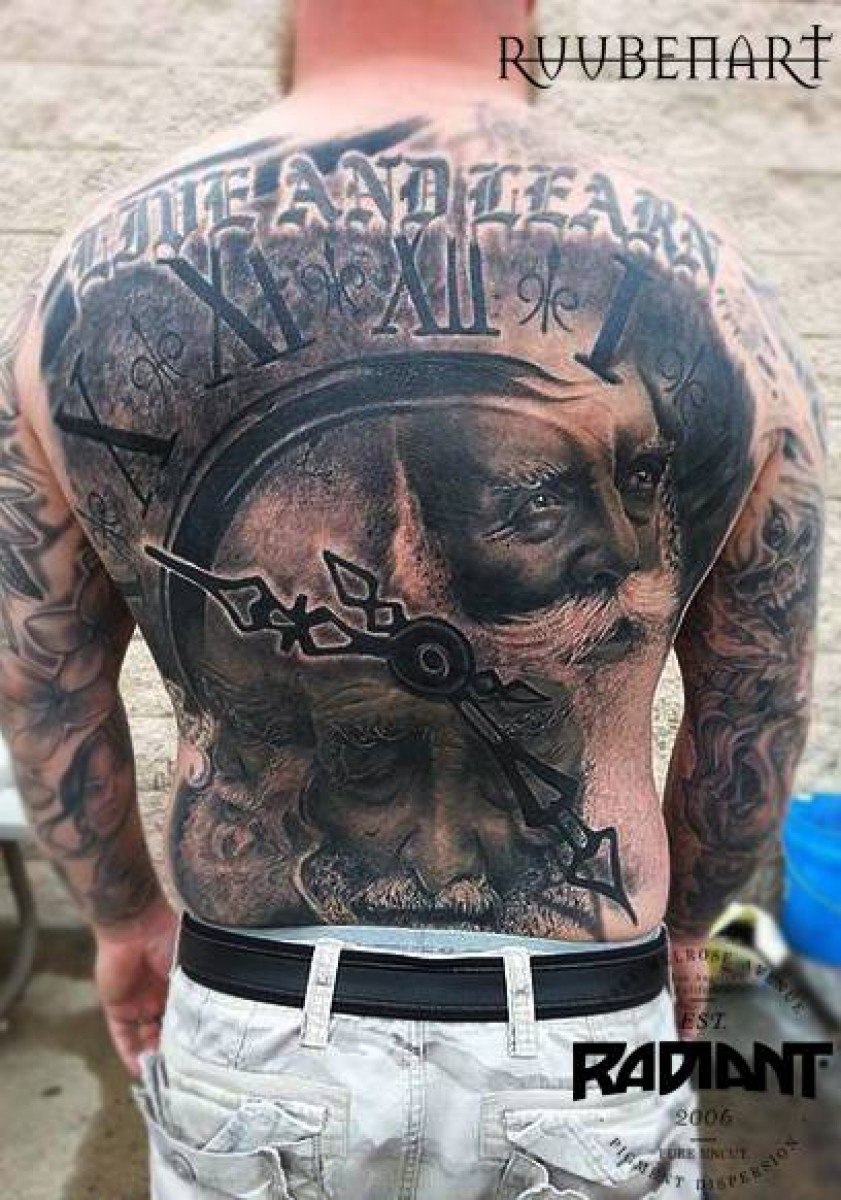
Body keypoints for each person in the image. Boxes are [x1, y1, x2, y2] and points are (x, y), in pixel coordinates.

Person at [0, 1, 825, 1196]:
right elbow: (756, 701)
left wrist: (122, 919)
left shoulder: (88, 284)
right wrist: (689, 928)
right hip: (580, 1013)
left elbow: (43, 683)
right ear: (525, 15)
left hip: (259, 1009)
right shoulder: (718, 294)